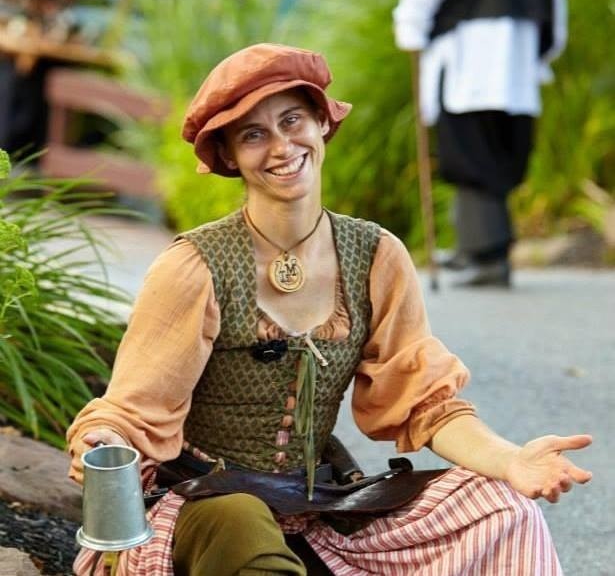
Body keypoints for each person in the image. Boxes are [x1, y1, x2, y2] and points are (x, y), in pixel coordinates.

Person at [67, 43, 591, 576]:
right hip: (205, 503)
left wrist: (511, 460)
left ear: (321, 122)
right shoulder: (194, 267)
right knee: (243, 524)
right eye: (253, 134)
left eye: (292, 120)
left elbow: (423, 403)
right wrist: (104, 439)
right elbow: (132, 409)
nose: (280, 146)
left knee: (502, 508)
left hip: (319, 506)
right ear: (228, 156)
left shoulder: (376, 255)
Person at [393, 0, 567, 287]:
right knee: (499, 139)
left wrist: (410, 21)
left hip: (466, 41)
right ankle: (478, 247)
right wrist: (549, 45)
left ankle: (484, 252)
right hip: (521, 40)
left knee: (467, 141)